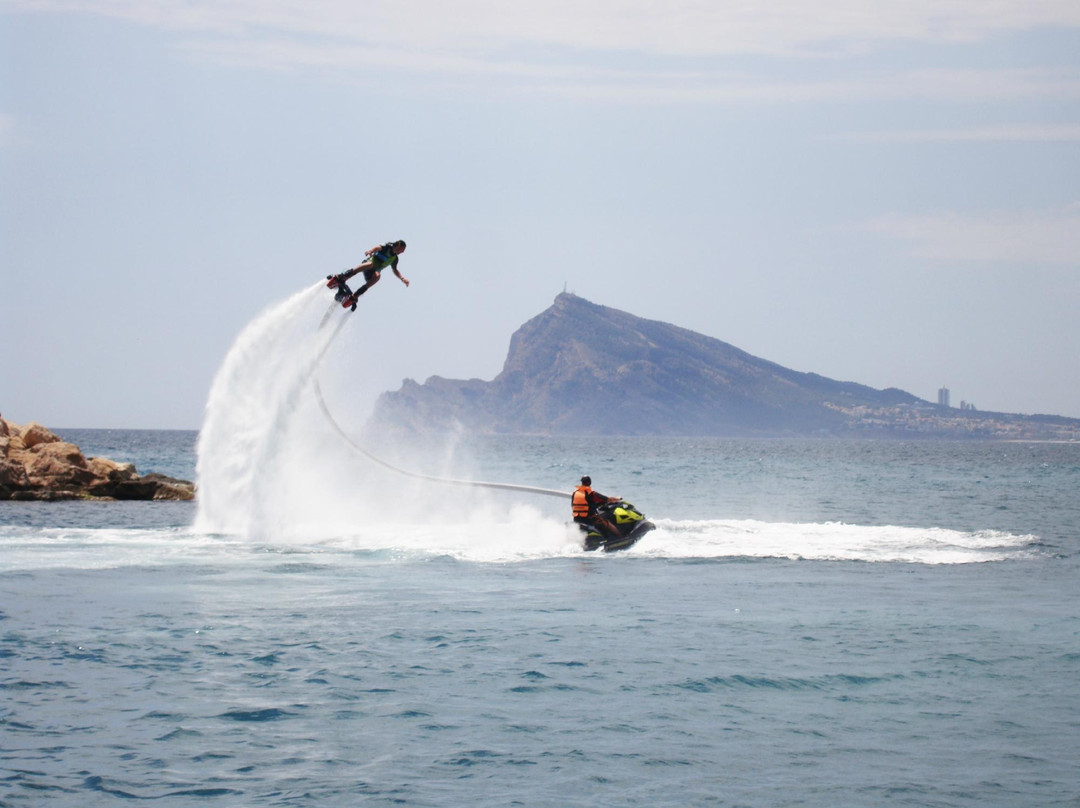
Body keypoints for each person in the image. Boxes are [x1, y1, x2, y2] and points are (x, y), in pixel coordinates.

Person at [327, 240, 409, 306]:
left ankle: (355, 295)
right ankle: (343, 277)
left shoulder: (395, 259)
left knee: (377, 276)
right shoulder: (387, 246)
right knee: (370, 264)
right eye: (402, 250)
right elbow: (378, 247)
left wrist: (402, 278)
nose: (403, 252)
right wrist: (370, 251)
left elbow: (395, 270)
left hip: (371, 273)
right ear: (398, 246)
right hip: (367, 264)